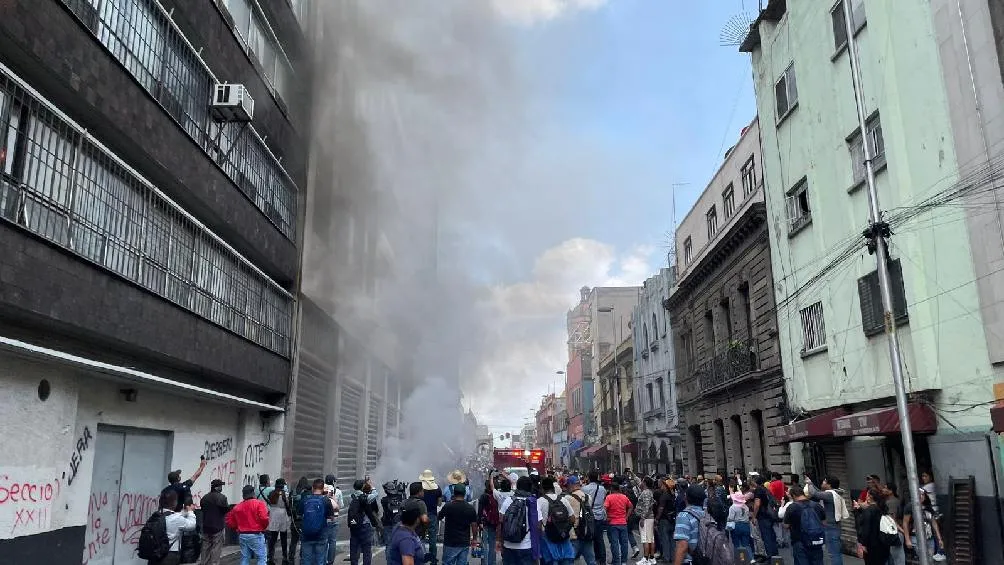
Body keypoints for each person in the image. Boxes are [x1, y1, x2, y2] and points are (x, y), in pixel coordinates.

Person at [804, 476, 849, 565]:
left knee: (834, 553)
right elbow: (819, 492)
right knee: (835, 552)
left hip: (830, 527)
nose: (822, 483)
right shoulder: (834, 493)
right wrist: (811, 483)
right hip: (834, 526)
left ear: (829, 484)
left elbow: (815, 494)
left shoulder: (830, 495)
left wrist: (809, 483)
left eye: (824, 482)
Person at [147, 489, 197, 565]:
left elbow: (177, 517)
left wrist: (185, 512)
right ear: (174, 502)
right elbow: (191, 525)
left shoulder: (155, 515)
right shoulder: (176, 518)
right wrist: (190, 511)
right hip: (169, 554)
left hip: (154, 553)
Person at [226, 485, 271, 565]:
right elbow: (264, 518)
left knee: (245, 557)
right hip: (256, 534)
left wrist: (238, 527)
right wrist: (263, 527)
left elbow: (229, 521)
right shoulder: (259, 504)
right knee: (262, 557)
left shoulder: (237, 507)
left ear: (243, 495)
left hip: (242, 534)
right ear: (253, 493)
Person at [499, 476, 538, 565]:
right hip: (526, 546)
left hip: (508, 546)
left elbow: (501, 522)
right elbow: (538, 526)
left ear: (517, 486)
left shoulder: (508, 500)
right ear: (530, 487)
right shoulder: (533, 502)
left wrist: (499, 541)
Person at [537, 476, 576, 565]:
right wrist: (564, 529)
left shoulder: (539, 501)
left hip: (547, 539)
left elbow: (538, 525)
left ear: (542, 489)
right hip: (564, 538)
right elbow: (572, 518)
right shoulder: (563, 499)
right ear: (553, 488)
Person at [783, 486, 825, 565]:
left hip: (799, 541)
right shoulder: (816, 505)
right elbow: (824, 522)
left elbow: (786, 525)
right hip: (816, 540)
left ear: (794, 496)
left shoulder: (792, 507)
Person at [439, 483, 479, 565]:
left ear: (454, 493)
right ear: (464, 493)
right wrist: (474, 538)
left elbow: (439, 517)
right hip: (464, 542)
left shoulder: (448, 506)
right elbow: (474, 525)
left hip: (450, 542)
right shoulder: (470, 508)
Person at [300, 478, 337, 565]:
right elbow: (332, 517)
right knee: (320, 560)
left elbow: (299, 514)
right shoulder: (326, 500)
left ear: (313, 488)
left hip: (306, 534)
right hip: (321, 534)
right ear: (323, 488)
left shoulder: (305, 499)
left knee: (306, 560)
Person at [671, 485, 706, 565]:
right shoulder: (707, 514)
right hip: (706, 559)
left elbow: (682, 546)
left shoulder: (684, 516)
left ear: (686, 497)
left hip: (691, 561)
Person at [854, 489, 890, 565]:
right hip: (882, 543)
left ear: (869, 497)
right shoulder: (882, 509)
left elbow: (865, 529)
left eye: (867, 495)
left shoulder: (868, 510)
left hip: (871, 545)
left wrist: (863, 544)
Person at [349, 479, 381, 565]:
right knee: (367, 549)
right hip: (365, 525)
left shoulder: (351, 497)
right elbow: (375, 494)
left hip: (353, 525)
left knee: (354, 548)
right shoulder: (365, 498)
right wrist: (372, 486)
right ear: (362, 487)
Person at [566, 476, 596, 565]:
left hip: (574, 533)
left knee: (569, 560)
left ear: (571, 485)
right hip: (587, 532)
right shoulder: (588, 497)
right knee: (591, 561)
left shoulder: (568, 498)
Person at [199, 479, 230, 565]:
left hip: (206, 526)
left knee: (205, 548)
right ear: (217, 487)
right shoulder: (222, 497)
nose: (221, 488)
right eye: (220, 486)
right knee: (216, 549)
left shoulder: (204, 498)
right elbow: (226, 510)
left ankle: (204, 563)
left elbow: (202, 509)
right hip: (217, 526)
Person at [581, 471, 608, 565]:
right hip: (600, 516)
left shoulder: (584, 489)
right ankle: (602, 560)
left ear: (588, 477)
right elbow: (604, 499)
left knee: (589, 538)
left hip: (589, 517)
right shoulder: (602, 489)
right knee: (600, 539)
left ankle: (594, 559)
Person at [604, 483, 633, 565]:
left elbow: (604, 508)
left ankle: (616, 561)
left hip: (612, 523)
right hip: (623, 522)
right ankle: (624, 561)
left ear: (612, 489)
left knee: (614, 543)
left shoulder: (609, 497)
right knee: (624, 543)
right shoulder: (624, 497)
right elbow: (631, 506)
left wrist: (607, 517)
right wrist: (626, 516)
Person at [751, 476, 779, 560]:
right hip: (769, 515)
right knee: (771, 535)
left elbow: (757, 504)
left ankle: (770, 557)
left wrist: (754, 516)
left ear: (756, 482)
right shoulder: (765, 489)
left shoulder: (758, 490)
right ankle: (775, 555)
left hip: (763, 516)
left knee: (766, 537)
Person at [421, 470, 445, 565]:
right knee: (432, 538)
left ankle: (421, 556)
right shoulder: (437, 488)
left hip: (421, 514)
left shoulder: (420, 488)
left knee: (420, 536)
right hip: (432, 514)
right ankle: (433, 558)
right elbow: (439, 503)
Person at [267, 478, 293, 565]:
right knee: (283, 538)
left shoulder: (271, 493)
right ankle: (285, 556)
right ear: (282, 485)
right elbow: (288, 505)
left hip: (273, 515)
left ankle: (270, 557)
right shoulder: (284, 494)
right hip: (282, 516)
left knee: (273, 539)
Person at [289, 477, 311, 560]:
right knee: (303, 540)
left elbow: (289, 505)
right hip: (303, 520)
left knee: (293, 540)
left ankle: (291, 556)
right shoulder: (307, 494)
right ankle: (302, 556)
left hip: (294, 520)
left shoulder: (293, 492)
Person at [727, 490, 752, 559]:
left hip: (736, 526)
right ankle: (751, 559)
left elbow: (730, 518)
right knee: (746, 544)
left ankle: (740, 559)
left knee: (736, 544)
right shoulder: (746, 507)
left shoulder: (733, 507)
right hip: (746, 526)